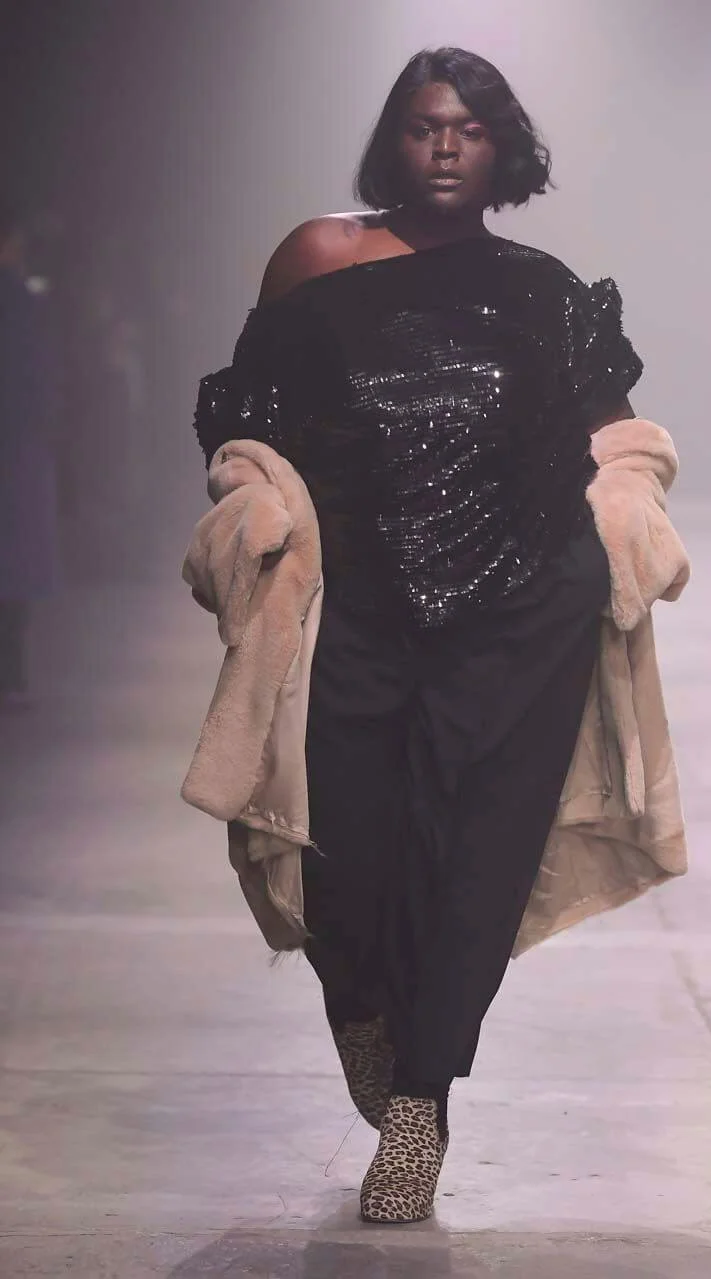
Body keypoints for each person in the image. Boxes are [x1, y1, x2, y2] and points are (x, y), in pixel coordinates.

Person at [193, 47, 644, 1224]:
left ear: (503, 151)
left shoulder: (544, 293)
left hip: (519, 615)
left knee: (475, 858)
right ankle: (362, 1013)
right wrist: (250, 497)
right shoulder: (317, 257)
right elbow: (248, 411)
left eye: (470, 129)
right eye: (424, 125)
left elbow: (612, 434)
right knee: (339, 852)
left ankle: (420, 1101)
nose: (446, 146)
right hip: (357, 604)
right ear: (391, 140)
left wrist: (632, 507)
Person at [0, 194, 61, 712]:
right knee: (15, 555)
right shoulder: (19, 300)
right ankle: (11, 664)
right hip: (17, 443)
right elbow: (38, 378)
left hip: (19, 438)